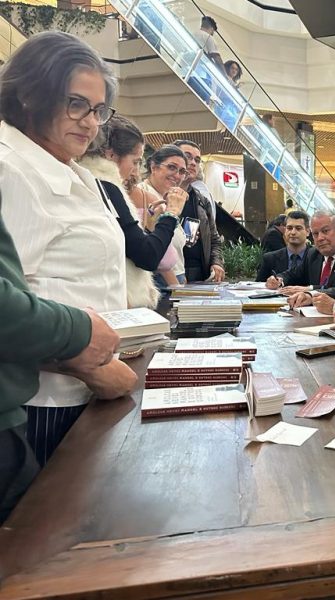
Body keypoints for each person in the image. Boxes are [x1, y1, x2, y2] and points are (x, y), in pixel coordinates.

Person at [0, 31, 138, 466]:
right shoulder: (10, 168)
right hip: (43, 404)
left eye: (98, 110)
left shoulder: (72, 170)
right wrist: (82, 362)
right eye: (75, 104)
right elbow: (13, 310)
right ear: (29, 95)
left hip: (88, 391)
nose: (90, 122)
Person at [0, 205, 122, 523]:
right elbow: (18, 286)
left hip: (67, 385)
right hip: (42, 395)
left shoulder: (79, 178)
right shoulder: (13, 167)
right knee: (39, 546)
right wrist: (77, 333)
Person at [80, 115, 184, 308]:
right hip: (116, 304)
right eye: (135, 162)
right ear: (111, 155)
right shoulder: (106, 188)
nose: (135, 171)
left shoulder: (84, 180)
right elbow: (147, 255)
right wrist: (171, 214)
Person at [264, 208, 335, 293]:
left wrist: (310, 289)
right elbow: (293, 274)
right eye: (315, 233)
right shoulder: (313, 254)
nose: (320, 238)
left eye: (325, 231)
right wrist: (279, 280)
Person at [173, 139, 225, 283]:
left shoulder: (201, 200)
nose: (193, 163)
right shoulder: (158, 194)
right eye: (188, 156)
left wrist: (216, 263)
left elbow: (214, 239)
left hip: (198, 272)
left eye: (197, 159)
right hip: (167, 272)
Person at [139, 145, 190, 287]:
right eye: (172, 167)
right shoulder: (143, 195)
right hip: (162, 281)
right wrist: (175, 286)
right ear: (154, 166)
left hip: (176, 276)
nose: (177, 175)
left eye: (182, 171)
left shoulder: (168, 198)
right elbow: (158, 250)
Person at [255, 210, 310, 282]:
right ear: (285, 230)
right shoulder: (270, 259)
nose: (293, 232)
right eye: (289, 228)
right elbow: (257, 287)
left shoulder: (317, 258)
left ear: (308, 231)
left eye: (298, 228)